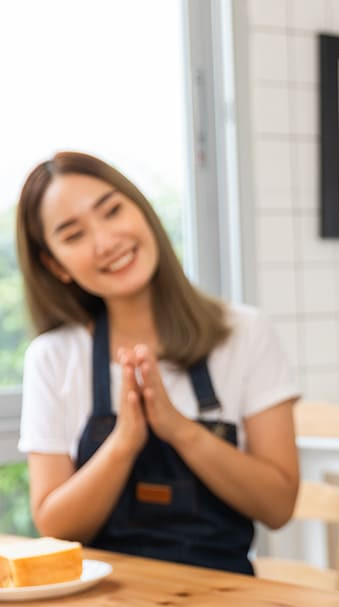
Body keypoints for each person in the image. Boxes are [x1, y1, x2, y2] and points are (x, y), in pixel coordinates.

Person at [16, 152, 300, 575]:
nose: (106, 241)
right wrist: (124, 442)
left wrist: (178, 429)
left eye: (112, 211)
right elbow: (55, 528)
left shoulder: (245, 333)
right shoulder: (53, 357)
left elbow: (277, 507)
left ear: (141, 210)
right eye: (73, 235)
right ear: (56, 265)